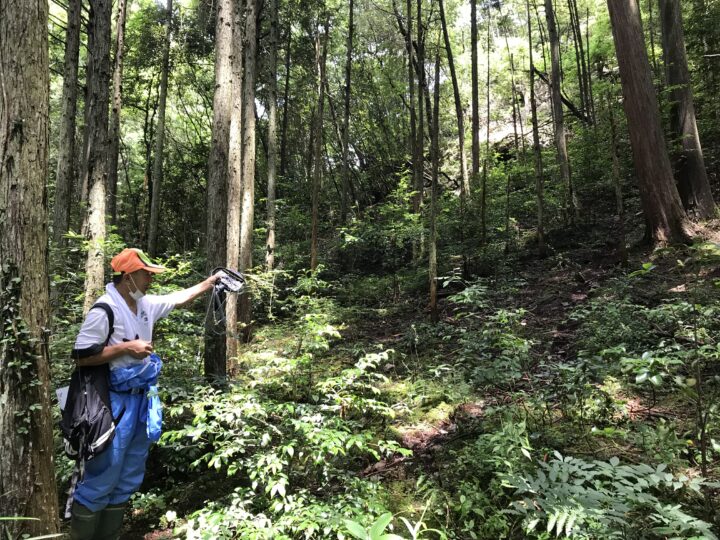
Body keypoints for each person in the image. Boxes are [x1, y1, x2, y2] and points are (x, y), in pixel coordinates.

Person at [68, 248, 219, 540]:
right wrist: (126, 348)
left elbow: (178, 298)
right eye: (145, 274)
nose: (150, 279)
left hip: (141, 401)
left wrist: (210, 282)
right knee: (104, 474)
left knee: (128, 476)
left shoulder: (145, 304)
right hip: (112, 403)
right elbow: (81, 356)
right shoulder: (105, 309)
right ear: (128, 277)